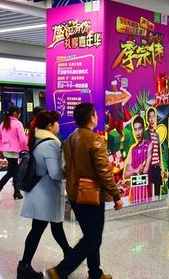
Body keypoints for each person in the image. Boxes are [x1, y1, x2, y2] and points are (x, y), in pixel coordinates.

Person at [46, 103, 122, 279]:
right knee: (93, 239)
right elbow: (104, 172)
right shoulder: (95, 140)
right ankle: (60, 271)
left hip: (74, 194)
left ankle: (95, 273)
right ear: (91, 118)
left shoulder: (71, 138)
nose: (97, 117)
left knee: (90, 236)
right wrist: (116, 195)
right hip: (91, 194)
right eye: (95, 114)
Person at [18, 111, 71, 279]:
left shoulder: (39, 140)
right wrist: (71, 173)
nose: (58, 125)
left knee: (52, 226)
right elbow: (55, 173)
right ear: (49, 126)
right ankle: (24, 266)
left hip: (41, 193)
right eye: (56, 122)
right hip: (45, 195)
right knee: (40, 229)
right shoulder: (50, 144)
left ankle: (69, 255)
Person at [0, 106, 28, 204]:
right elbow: (23, 140)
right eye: (19, 113)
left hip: (6, 151)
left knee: (14, 171)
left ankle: (17, 193)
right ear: (15, 113)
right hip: (14, 152)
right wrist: (26, 150)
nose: (19, 115)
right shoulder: (18, 124)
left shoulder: (3, 123)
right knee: (11, 172)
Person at [123, 116, 153, 203]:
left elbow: (145, 171)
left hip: (146, 191)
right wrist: (136, 170)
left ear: (143, 129)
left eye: (139, 129)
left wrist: (132, 171)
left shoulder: (149, 145)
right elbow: (125, 175)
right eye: (135, 130)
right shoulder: (133, 149)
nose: (138, 133)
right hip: (134, 194)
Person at [144, 107, 165, 198]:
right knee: (148, 189)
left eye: (153, 116)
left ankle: (157, 201)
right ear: (147, 119)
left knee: (157, 189)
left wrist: (161, 167)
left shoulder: (157, 134)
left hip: (157, 166)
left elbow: (159, 152)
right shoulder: (145, 133)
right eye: (150, 117)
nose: (152, 119)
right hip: (150, 166)